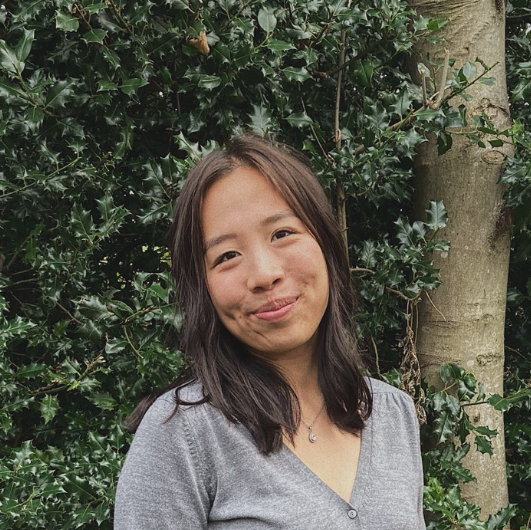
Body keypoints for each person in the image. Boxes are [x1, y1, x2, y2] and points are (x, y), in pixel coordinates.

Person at [114, 135, 426, 529]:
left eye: (282, 233)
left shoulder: (392, 414)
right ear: (202, 288)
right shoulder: (184, 435)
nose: (264, 274)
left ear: (326, 245)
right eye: (227, 256)